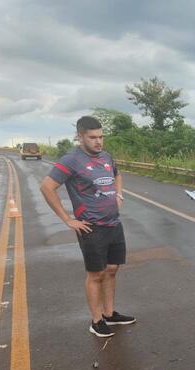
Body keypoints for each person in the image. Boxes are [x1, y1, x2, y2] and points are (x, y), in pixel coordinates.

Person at [40, 116, 135, 338]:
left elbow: (117, 175)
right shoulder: (72, 159)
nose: (98, 142)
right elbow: (47, 187)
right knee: (96, 274)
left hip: (114, 223)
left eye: (101, 136)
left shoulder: (106, 157)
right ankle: (96, 320)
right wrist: (67, 219)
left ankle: (110, 313)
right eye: (92, 137)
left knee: (112, 270)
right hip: (91, 228)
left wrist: (119, 193)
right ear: (80, 136)